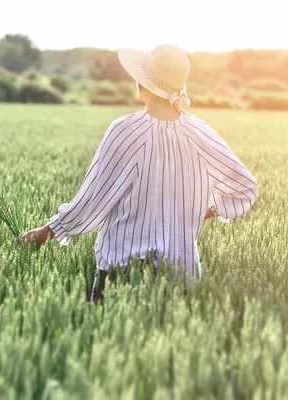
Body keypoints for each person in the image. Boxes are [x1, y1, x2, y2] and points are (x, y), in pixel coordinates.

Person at [19, 44, 259, 302]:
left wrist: (49, 229)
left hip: (122, 273)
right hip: (181, 277)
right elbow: (246, 187)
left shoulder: (125, 131)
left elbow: (93, 201)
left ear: (141, 83)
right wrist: (204, 211)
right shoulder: (200, 133)